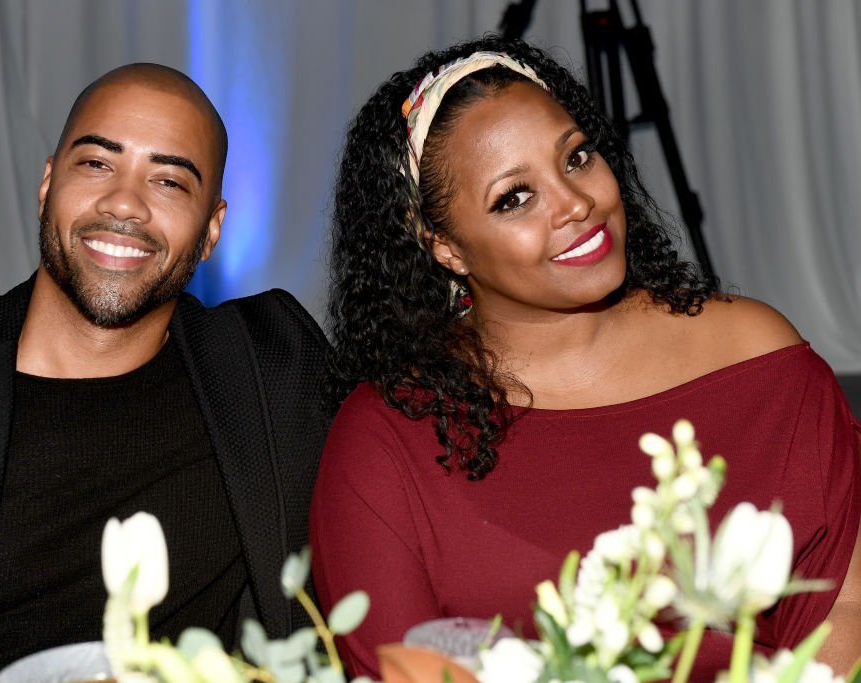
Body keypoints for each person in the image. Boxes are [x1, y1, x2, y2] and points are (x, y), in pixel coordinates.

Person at [310, 34, 861, 680]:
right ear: (445, 247)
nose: (576, 203)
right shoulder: (385, 440)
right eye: (515, 197)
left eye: (576, 157)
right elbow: (401, 665)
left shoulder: (759, 361)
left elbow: (844, 604)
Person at [0, 63, 331, 683]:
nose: (125, 203)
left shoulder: (273, 365)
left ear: (212, 230)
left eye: (171, 182)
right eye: (97, 164)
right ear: (48, 183)